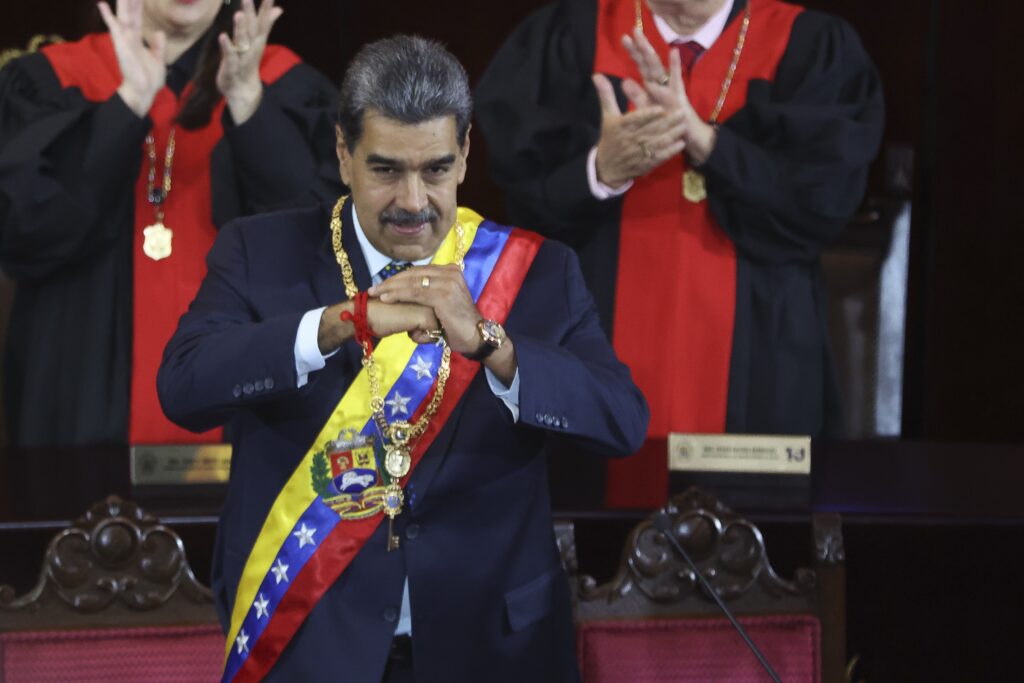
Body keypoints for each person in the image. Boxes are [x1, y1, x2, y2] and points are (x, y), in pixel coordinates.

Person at [157, 35, 648, 682]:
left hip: (493, 648)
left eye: (436, 170)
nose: (413, 202)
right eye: (386, 170)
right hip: (311, 643)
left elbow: (622, 421)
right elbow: (184, 385)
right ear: (344, 154)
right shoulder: (259, 251)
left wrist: (494, 346)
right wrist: (335, 324)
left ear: (466, 153)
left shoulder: (539, 271)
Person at [475, 0, 885, 508]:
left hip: (760, 359)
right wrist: (600, 171)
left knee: (749, 540)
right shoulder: (571, 36)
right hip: (592, 342)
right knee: (587, 526)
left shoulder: (808, 46)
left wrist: (708, 144)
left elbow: (822, 203)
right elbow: (518, 195)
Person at [0, 0, 340, 447]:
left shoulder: (284, 84)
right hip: (80, 402)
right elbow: (23, 235)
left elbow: (322, 249)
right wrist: (127, 105)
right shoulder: (50, 78)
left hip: (250, 427)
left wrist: (248, 101)